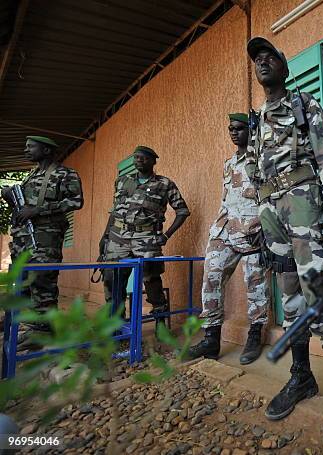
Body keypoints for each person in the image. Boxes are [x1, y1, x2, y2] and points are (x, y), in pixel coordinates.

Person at [246, 36, 323, 444]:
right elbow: (257, 174)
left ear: (284, 67)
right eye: (257, 59)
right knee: (290, 293)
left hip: (304, 201)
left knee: (317, 290)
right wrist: (259, 216)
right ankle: (302, 376)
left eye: (269, 57)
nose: (262, 62)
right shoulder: (257, 119)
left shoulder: (303, 103)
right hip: (272, 211)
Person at [188, 113, 270, 365]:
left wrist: (267, 227)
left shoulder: (262, 158)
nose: (233, 132)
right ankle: (211, 338)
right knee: (211, 275)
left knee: (255, 282)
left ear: (250, 130)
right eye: (230, 129)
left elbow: (271, 194)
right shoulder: (229, 162)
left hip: (252, 229)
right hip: (224, 229)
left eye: (239, 128)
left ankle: (255, 334)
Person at [1, 136, 83, 347]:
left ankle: (44, 331)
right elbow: (26, 209)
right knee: (24, 280)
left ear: (46, 150)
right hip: (24, 238)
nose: (26, 150)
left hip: (46, 237)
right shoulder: (31, 176)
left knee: (42, 280)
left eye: (31, 147)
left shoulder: (65, 174)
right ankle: (28, 323)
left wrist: (39, 210)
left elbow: (76, 201)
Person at [99, 146, 190, 331]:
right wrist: (105, 236)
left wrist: (166, 235)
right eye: (136, 157)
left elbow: (182, 211)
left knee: (152, 280)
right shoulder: (122, 181)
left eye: (143, 158)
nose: (138, 160)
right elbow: (115, 212)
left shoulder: (164, 184)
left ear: (153, 161)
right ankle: (116, 326)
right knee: (112, 279)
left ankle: (160, 323)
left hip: (147, 237)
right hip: (118, 238)